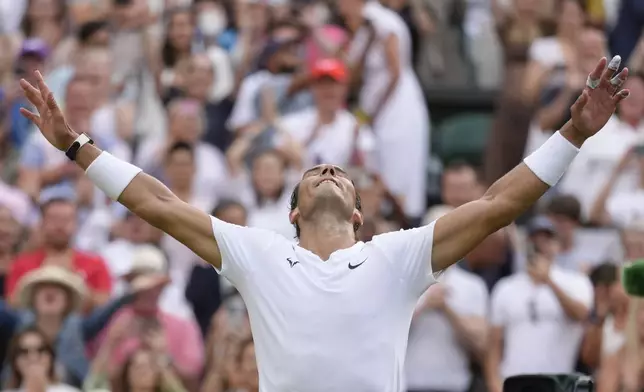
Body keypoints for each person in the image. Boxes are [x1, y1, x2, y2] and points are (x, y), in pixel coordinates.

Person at [17, 54, 629, 391]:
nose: (330, 167)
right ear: (293, 212)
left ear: (359, 214)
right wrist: (75, 146)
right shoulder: (257, 254)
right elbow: (161, 205)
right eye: (315, 172)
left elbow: (499, 204)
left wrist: (573, 132)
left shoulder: (399, 255)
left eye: (340, 171)